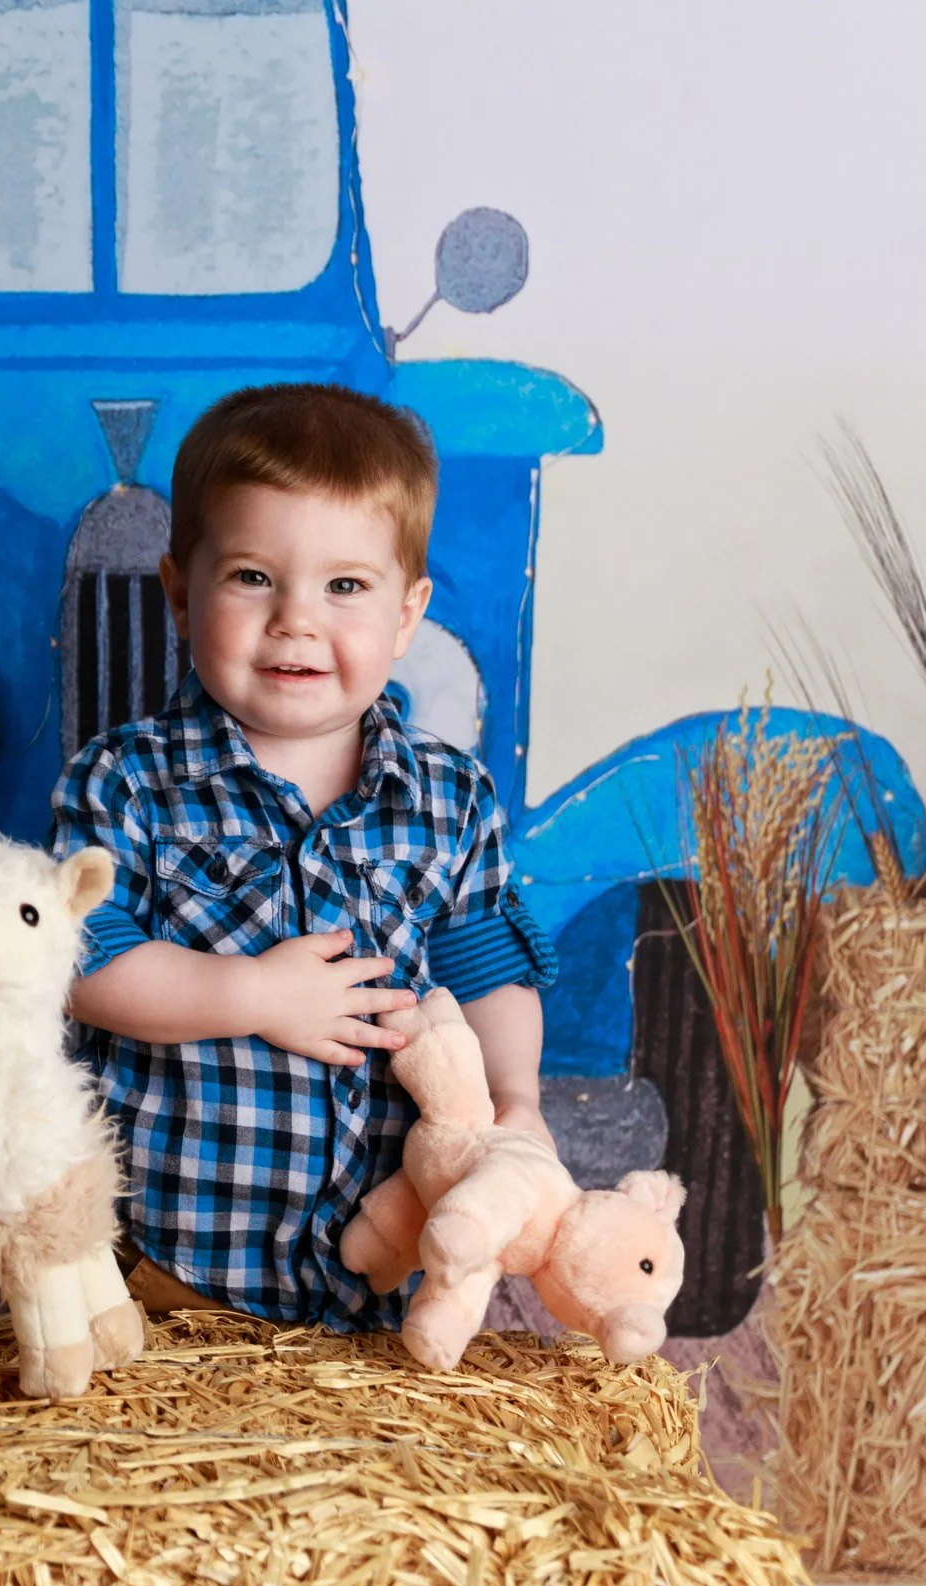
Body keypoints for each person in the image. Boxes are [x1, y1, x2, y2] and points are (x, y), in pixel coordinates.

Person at [49, 382, 558, 1331]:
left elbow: (485, 965)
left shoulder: (449, 798)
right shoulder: (127, 781)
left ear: (406, 616)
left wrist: (516, 1102)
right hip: (161, 1282)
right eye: (251, 577)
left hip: (377, 1290)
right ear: (178, 592)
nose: (296, 619)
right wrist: (252, 995)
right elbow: (82, 962)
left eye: (345, 586)